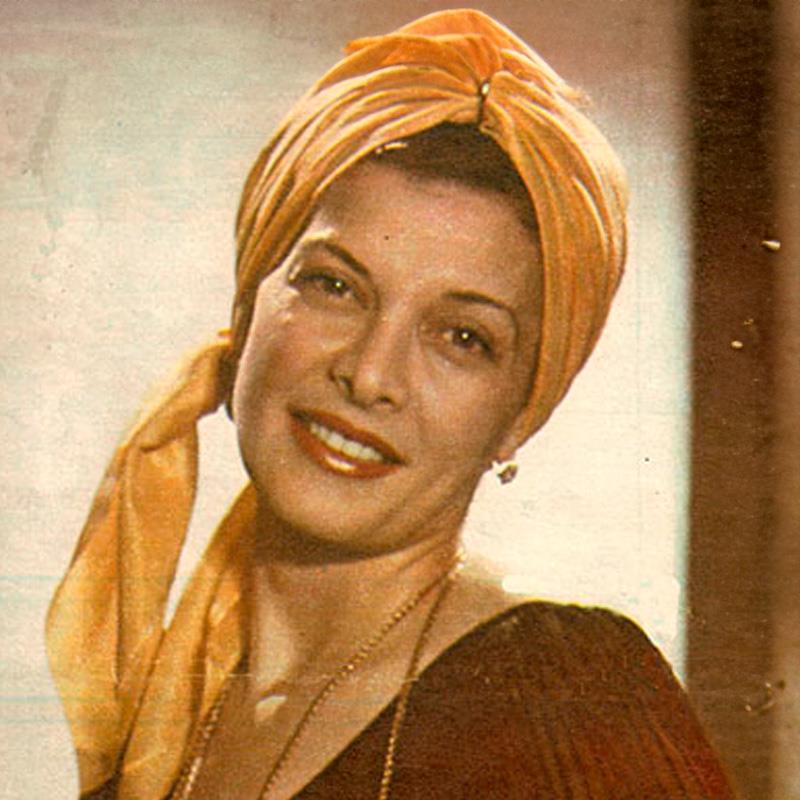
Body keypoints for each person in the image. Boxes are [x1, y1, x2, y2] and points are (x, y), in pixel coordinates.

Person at [46, 9, 735, 800]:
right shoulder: (163, 729)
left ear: (521, 413)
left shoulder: (571, 701)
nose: (370, 374)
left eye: (463, 338)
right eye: (334, 286)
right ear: (248, 307)